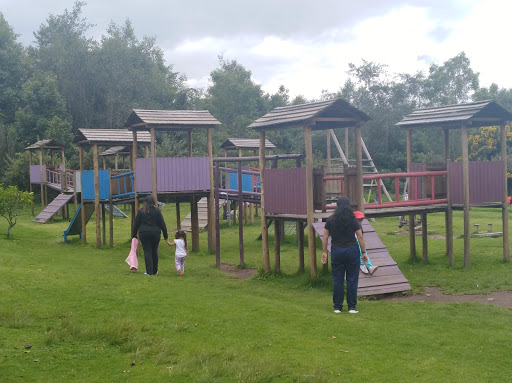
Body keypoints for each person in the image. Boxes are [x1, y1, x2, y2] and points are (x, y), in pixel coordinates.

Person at [322, 197, 368, 314]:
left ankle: (337, 307)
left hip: (337, 251)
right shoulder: (353, 220)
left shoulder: (331, 219)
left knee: (338, 279)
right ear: (349, 207)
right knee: (352, 279)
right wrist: (363, 252)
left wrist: (324, 252)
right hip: (352, 250)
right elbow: (360, 236)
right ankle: (352, 307)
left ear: (337, 206)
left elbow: (325, 236)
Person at [131, 195, 169, 275]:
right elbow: (162, 224)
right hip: (155, 233)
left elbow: (136, 224)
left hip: (144, 233)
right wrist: (165, 235)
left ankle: (149, 271)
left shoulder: (141, 211)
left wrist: (134, 236)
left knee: (147, 251)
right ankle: (155, 271)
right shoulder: (157, 211)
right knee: (154, 251)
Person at [354, 211, 379, 275]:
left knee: (363, 250)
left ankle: (369, 266)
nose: (360, 221)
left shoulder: (359, 226)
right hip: (352, 242)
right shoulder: (351, 225)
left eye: (361, 219)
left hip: (357, 241)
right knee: (360, 249)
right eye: (358, 219)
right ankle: (362, 264)